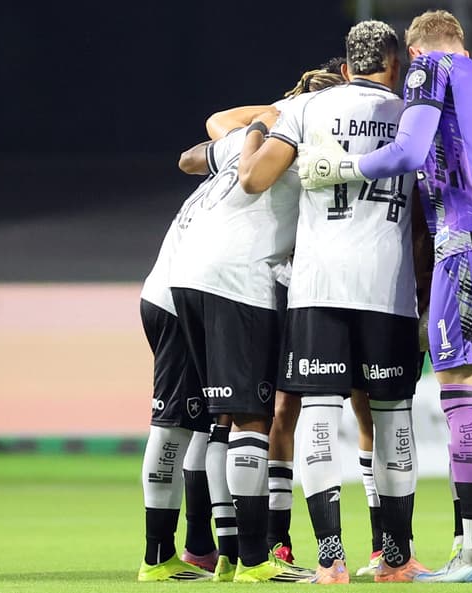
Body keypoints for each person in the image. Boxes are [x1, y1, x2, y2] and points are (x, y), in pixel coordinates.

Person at [298, 10, 472, 583]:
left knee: (461, 396)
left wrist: (342, 164)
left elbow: (408, 154)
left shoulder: (427, 69)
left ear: (413, 52)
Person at [238, 20, 426, 584]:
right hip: (388, 290)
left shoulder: (306, 110)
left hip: (317, 287)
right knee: (392, 420)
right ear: (394, 66)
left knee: (318, 416)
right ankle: (395, 558)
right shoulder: (411, 116)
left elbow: (254, 181)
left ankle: (329, 561)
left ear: (345, 68)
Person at [204, 59, 347, 568]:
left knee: (277, 410)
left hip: (298, 279)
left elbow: (201, 146)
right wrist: (265, 123)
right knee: (266, 411)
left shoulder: (330, 131)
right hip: (275, 281)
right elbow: (215, 130)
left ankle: (256, 545)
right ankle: (265, 544)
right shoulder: (291, 122)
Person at [167, 101, 311, 581]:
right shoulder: (303, 136)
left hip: (187, 275)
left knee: (218, 420)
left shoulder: (257, 136)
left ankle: (226, 552)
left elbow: (189, 158)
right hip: (239, 279)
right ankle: (255, 559)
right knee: (253, 416)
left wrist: (254, 126)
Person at [135, 142, 224, 582]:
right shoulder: (246, 181)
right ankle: (157, 558)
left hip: (167, 295)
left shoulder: (216, 181)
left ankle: (196, 547)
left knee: (197, 424)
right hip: (177, 302)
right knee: (172, 424)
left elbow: (191, 155)